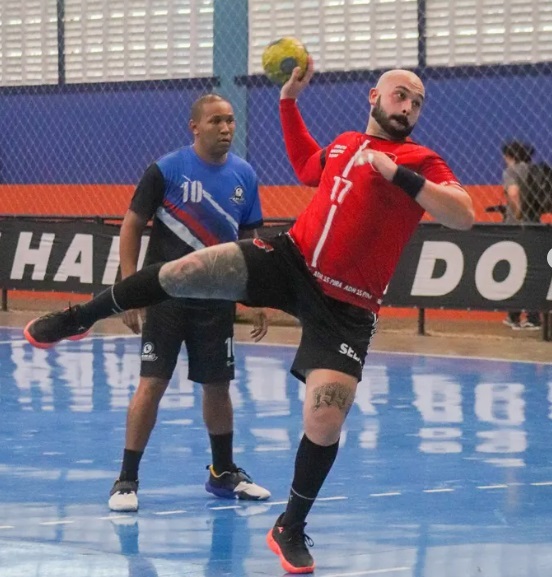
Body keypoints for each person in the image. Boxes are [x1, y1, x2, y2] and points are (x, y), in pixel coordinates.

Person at [23, 59, 474, 573]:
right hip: (291, 261)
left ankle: (290, 527)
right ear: (374, 96)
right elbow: (306, 166)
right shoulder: (347, 144)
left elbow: (462, 214)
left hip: (348, 305)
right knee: (186, 269)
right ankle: (80, 317)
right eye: (400, 95)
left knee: (326, 418)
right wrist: (288, 102)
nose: (408, 107)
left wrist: (400, 175)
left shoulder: (421, 160)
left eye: (417, 103)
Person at [33, 93, 272, 512]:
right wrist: (131, 292)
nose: (226, 128)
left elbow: (251, 242)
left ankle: (222, 473)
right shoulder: (167, 169)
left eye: (230, 120)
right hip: (166, 298)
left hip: (216, 299)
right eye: (216, 121)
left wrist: (256, 296)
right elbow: (131, 226)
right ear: (194, 127)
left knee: (218, 387)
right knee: (153, 383)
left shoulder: (245, 175)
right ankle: (126, 479)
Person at [501, 140, 541, 330]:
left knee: (515, 270)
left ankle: (514, 316)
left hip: (516, 228)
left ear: (510, 156)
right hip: (535, 225)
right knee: (532, 271)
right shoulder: (535, 171)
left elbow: (514, 192)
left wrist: (517, 214)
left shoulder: (511, 171)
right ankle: (532, 317)